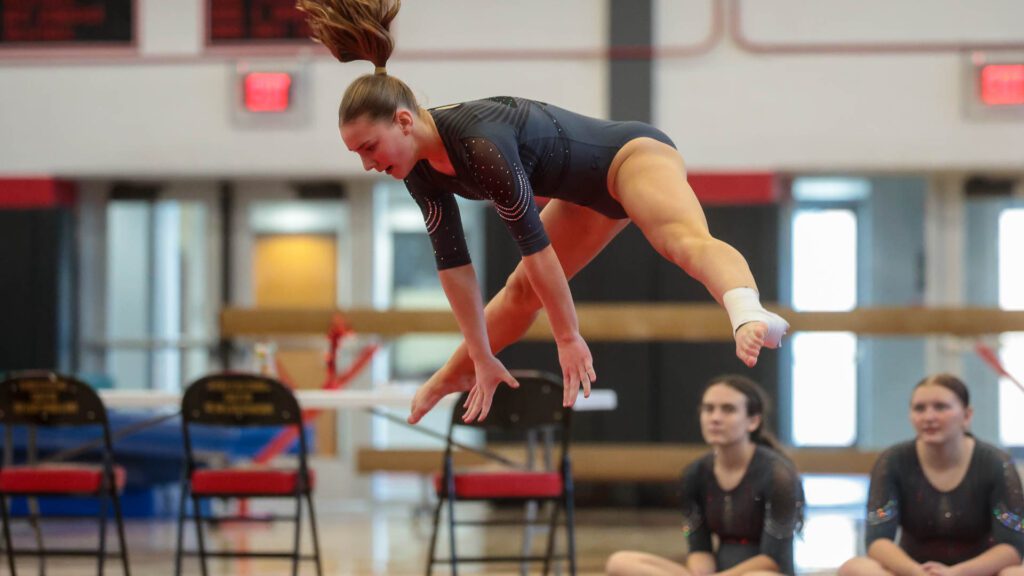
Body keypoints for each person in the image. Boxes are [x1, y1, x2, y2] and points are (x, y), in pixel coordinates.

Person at [297, 0, 790, 423]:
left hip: (629, 157)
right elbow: (455, 269)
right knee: (517, 292)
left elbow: (537, 247)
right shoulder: (417, 170)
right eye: (357, 154)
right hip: (582, 196)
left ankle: (747, 312)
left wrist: (568, 336)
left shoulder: (479, 143)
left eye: (369, 147)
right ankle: (451, 377)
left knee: (678, 242)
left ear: (404, 122)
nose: (367, 163)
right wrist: (480, 357)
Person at [606, 375, 804, 576]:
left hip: (761, 572)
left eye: (728, 409)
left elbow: (773, 560)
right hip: (717, 571)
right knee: (619, 562)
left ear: (753, 421)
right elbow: (699, 548)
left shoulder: (779, 475)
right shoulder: (694, 474)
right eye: (709, 409)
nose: (715, 418)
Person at [838, 374, 1024, 576]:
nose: (929, 417)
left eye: (941, 407)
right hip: (913, 570)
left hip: (976, 572)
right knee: (854, 568)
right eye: (919, 408)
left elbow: (1013, 547)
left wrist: (955, 573)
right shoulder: (892, 461)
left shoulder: (996, 463)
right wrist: (915, 571)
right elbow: (877, 540)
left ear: (967, 415)